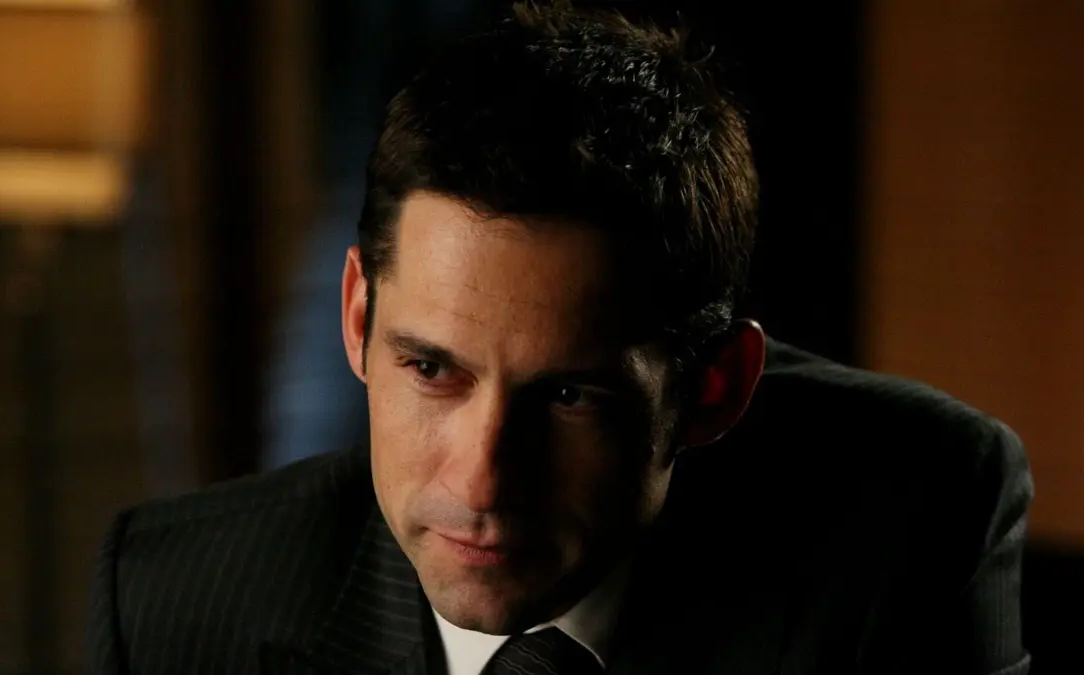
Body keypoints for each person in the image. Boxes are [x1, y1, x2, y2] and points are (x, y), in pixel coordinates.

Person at [86, 4, 1033, 674]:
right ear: (359, 317)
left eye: (570, 395)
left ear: (716, 387)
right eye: (431, 368)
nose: (482, 482)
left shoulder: (914, 524)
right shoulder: (175, 599)